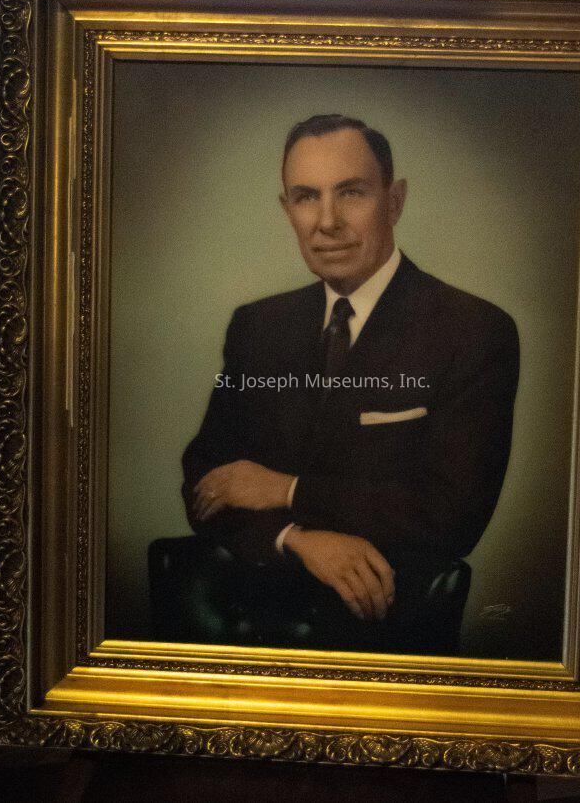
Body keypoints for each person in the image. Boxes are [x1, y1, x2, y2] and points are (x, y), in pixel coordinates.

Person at [181, 114, 519, 653]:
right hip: (253, 635)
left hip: (388, 633)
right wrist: (295, 539)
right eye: (306, 197)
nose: (327, 222)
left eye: (351, 193)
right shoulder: (258, 326)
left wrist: (287, 490)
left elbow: (453, 516)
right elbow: (207, 483)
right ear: (287, 210)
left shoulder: (473, 330)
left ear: (395, 201)